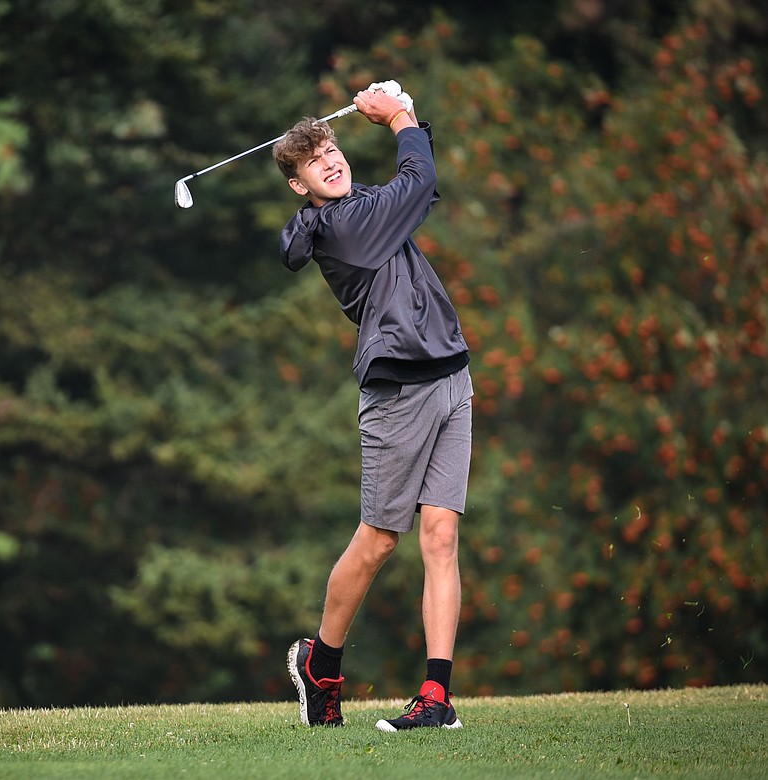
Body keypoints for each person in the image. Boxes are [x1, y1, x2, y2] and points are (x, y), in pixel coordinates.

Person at [274, 85, 472, 731]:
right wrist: (402, 117)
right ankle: (321, 666)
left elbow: (417, 186)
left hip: (450, 373)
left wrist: (410, 121)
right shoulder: (343, 226)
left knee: (441, 536)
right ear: (300, 184)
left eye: (331, 148)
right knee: (381, 539)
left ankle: (436, 698)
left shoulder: (365, 204)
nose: (329, 161)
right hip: (398, 390)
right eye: (313, 162)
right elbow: (417, 179)